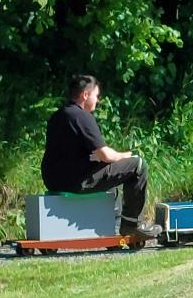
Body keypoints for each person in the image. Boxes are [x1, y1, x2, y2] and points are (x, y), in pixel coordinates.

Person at [40, 74, 161, 237]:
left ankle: (114, 223)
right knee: (137, 165)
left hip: (53, 180)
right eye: (96, 96)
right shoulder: (81, 116)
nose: (97, 100)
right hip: (75, 181)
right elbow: (105, 154)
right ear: (85, 95)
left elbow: (72, 153)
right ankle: (132, 225)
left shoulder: (59, 116)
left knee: (111, 172)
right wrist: (123, 155)